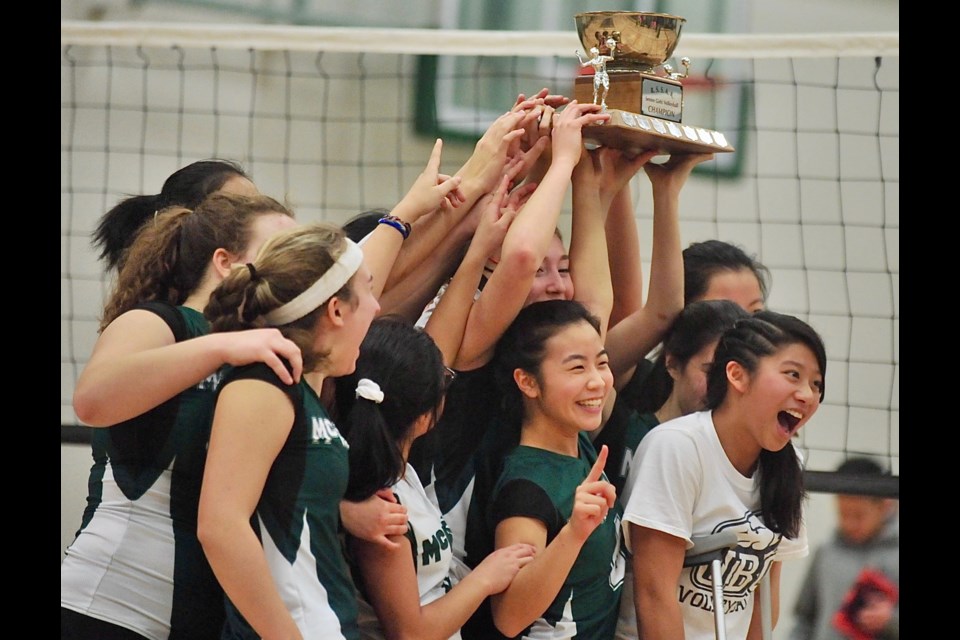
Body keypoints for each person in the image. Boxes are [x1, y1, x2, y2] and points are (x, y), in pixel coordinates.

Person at [197, 141, 463, 639]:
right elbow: (220, 527)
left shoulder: (304, 388)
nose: (379, 307)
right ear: (336, 312)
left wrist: (419, 209)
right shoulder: (261, 387)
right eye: (366, 292)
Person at [62, 192, 301, 640]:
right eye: (276, 251)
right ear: (225, 262)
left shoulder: (269, 350)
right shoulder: (160, 323)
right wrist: (222, 344)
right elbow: (92, 401)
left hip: (203, 613)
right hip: (113, 605)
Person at [618, 310, 827, 640]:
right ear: (738, 375)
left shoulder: (789, 465)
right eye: (792, 375)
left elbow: (763, 599)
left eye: (816, 384)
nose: (808, 395)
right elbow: (654, 596)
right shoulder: (677, 447)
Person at [336, 316, 537, 640]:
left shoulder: (401, 473)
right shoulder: (382, 509)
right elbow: (410, 633)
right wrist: (484, 578)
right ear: (423, 417)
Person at [481, 299, 623, 639]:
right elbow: (509, 617)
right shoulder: (526, 487)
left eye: (601, 363)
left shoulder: (577, 439)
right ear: (528, 382)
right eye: (577, 368)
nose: (597, 382)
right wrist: (573, 533)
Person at [601, 299, 750, 496]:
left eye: (736, 374)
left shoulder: (745, 456)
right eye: (710, 371)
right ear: (673, 365)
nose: (722, 387)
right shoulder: (622, 426)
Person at [789, 458, 899, 640]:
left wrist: (891, 620)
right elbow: (804, 619)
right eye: (843, 514)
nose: (850, 523)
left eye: (858, 515)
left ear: (885, 506)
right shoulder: (825, 553)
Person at [91, 159, 259, 272]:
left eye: (258, 206)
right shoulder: (160, 311)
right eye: (237, 209)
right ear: (192, 219)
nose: (259, 217)